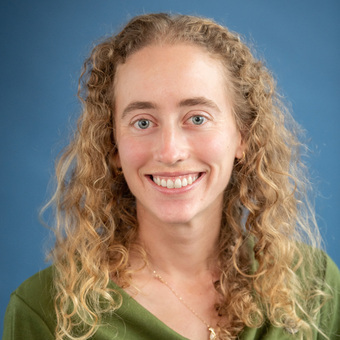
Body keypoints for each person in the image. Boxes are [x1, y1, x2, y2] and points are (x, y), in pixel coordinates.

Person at [3, 13, 340, 340]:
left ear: (243, 136)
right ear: (113, 146)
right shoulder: (46, 312)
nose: (170, 152)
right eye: (143, 122)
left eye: (197, 118)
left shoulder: (313, 284)